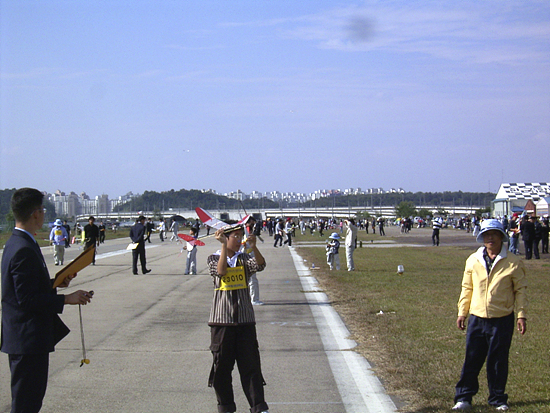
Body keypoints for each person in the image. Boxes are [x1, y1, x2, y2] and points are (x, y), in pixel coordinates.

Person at [1, 187, 93, 413]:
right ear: (35, 213)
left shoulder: (20, 242)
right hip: (27, 340)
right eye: (42, 210)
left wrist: (54, 283)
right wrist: (67, 299)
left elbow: (27, 288)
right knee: (26, 404)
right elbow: (26, 299)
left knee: (29, 401)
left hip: (27, 339)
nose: (43, 214)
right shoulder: (23, 248)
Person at [452, 219, 527, 411]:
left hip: (502, 319)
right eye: (486, 234)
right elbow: (467, 288)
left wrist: (521, 315)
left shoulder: (513, 262)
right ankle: (464, 397)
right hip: (477, 318)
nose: (490, 238)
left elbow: (520, 290)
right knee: (472, 358)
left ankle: (497, 398)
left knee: (498, 360)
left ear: (502, 237)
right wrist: (462, 312)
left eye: (494, 234)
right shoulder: (473, 260)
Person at [207, 224, 269, 413]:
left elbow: (260, 265)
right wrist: (224, 247)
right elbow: (221, 272)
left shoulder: (244, 258)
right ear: (225, 238)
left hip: (244, 321)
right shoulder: (213, 257)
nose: (240, 239)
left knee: (251, 367)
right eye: (236, 236)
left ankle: (258, 407)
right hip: (222, 321)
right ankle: (225, 407)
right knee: (222, 369)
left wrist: (254, 247)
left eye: (242, 235)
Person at [243, 217, 263, 305]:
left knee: (251, 279)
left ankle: (253, 298)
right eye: (251, 223)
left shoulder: (250, 230)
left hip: (250, 254)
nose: (253, 225)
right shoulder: (244, 230)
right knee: (252, 279)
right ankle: (254, 299)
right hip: (246, 256)